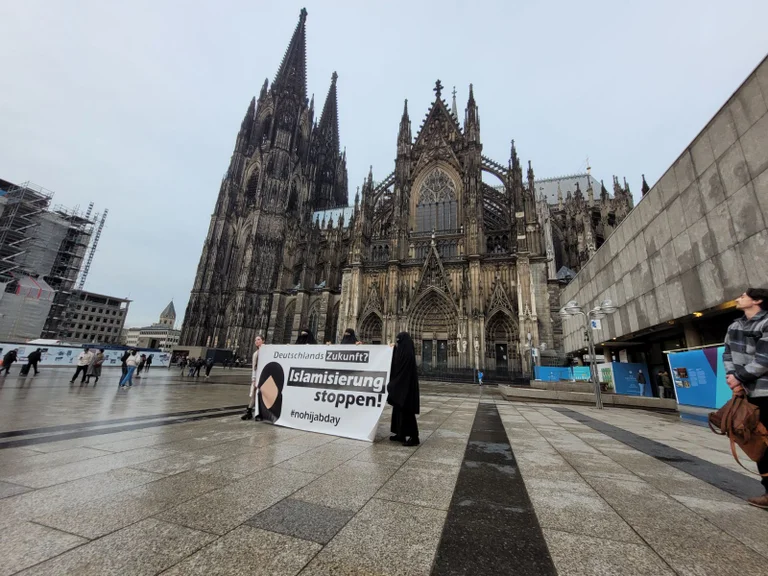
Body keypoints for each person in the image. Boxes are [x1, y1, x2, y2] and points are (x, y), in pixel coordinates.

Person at [723, 288, 768, 509]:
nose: (738, 298)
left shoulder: (766, 323)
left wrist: (739, 378)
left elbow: (764, 359)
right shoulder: (734, 326)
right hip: (748, 393)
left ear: (757, 300)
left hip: (765, 391)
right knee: (758, 442)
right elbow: (727, 355)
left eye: (743, 296)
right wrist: (733, 379)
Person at [387, 332, 420, 446]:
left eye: (399, 342)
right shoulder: (403, 351)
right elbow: (396, 362)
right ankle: (400, 434)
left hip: (406, 388)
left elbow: (402, 369)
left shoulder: (408, 354)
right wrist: (392, 349)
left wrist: (394, 384)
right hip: (401, 387)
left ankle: (414, 438)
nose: (398, 344)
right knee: (397, 410)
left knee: (407, 412)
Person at [242, 335, 264, 421]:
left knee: (263, 396)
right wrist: (254, 379)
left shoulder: (268, 351)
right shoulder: (255, 354)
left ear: (263, 341)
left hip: (265, 377)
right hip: (258, 377)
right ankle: (250, 412)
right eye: (255, 340)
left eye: (258, 339)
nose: (256, 341)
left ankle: (258, 413)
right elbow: (254, 368)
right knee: (255, 395)